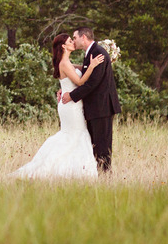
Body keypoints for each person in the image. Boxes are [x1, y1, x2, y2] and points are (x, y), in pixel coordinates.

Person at [9, 33, 105, 179]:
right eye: (70, 41)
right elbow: (80, 82)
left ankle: (73, 169)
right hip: (71, 106)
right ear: (63, 46)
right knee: (74, 135)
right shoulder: (64, 63)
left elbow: (79, 70)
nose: (73, 42)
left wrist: (94, 65)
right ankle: (62, 169)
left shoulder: (67, 62)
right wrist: (92, 66)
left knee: (73, 135)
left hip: (71, 104)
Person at [59, 27, 121, 173]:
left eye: (74, 38)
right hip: (96, 108)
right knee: (96, 144)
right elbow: (85, 72)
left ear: (83, 37)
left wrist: (72, 96)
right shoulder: (91, 53)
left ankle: (105, 175)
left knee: (102, 145)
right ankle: (98, 173)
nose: (73, 41)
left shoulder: (98, 53)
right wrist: (65, 85)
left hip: (102, 107)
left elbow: (92, 83)